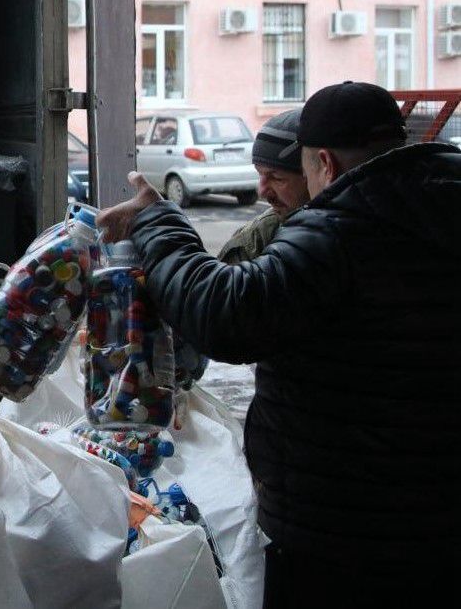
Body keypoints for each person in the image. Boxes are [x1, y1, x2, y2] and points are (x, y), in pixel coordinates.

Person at [97, 82, 461, 606]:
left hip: (349, 526)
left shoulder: (341, 234)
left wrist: (157, 220)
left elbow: (227, 314)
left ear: (325, 165)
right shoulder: (435, 209)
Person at [217, 109, 309, 263]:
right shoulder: (256, 239)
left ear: (314, 174)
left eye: (277, 178)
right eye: (260, 174)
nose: (262, 191)